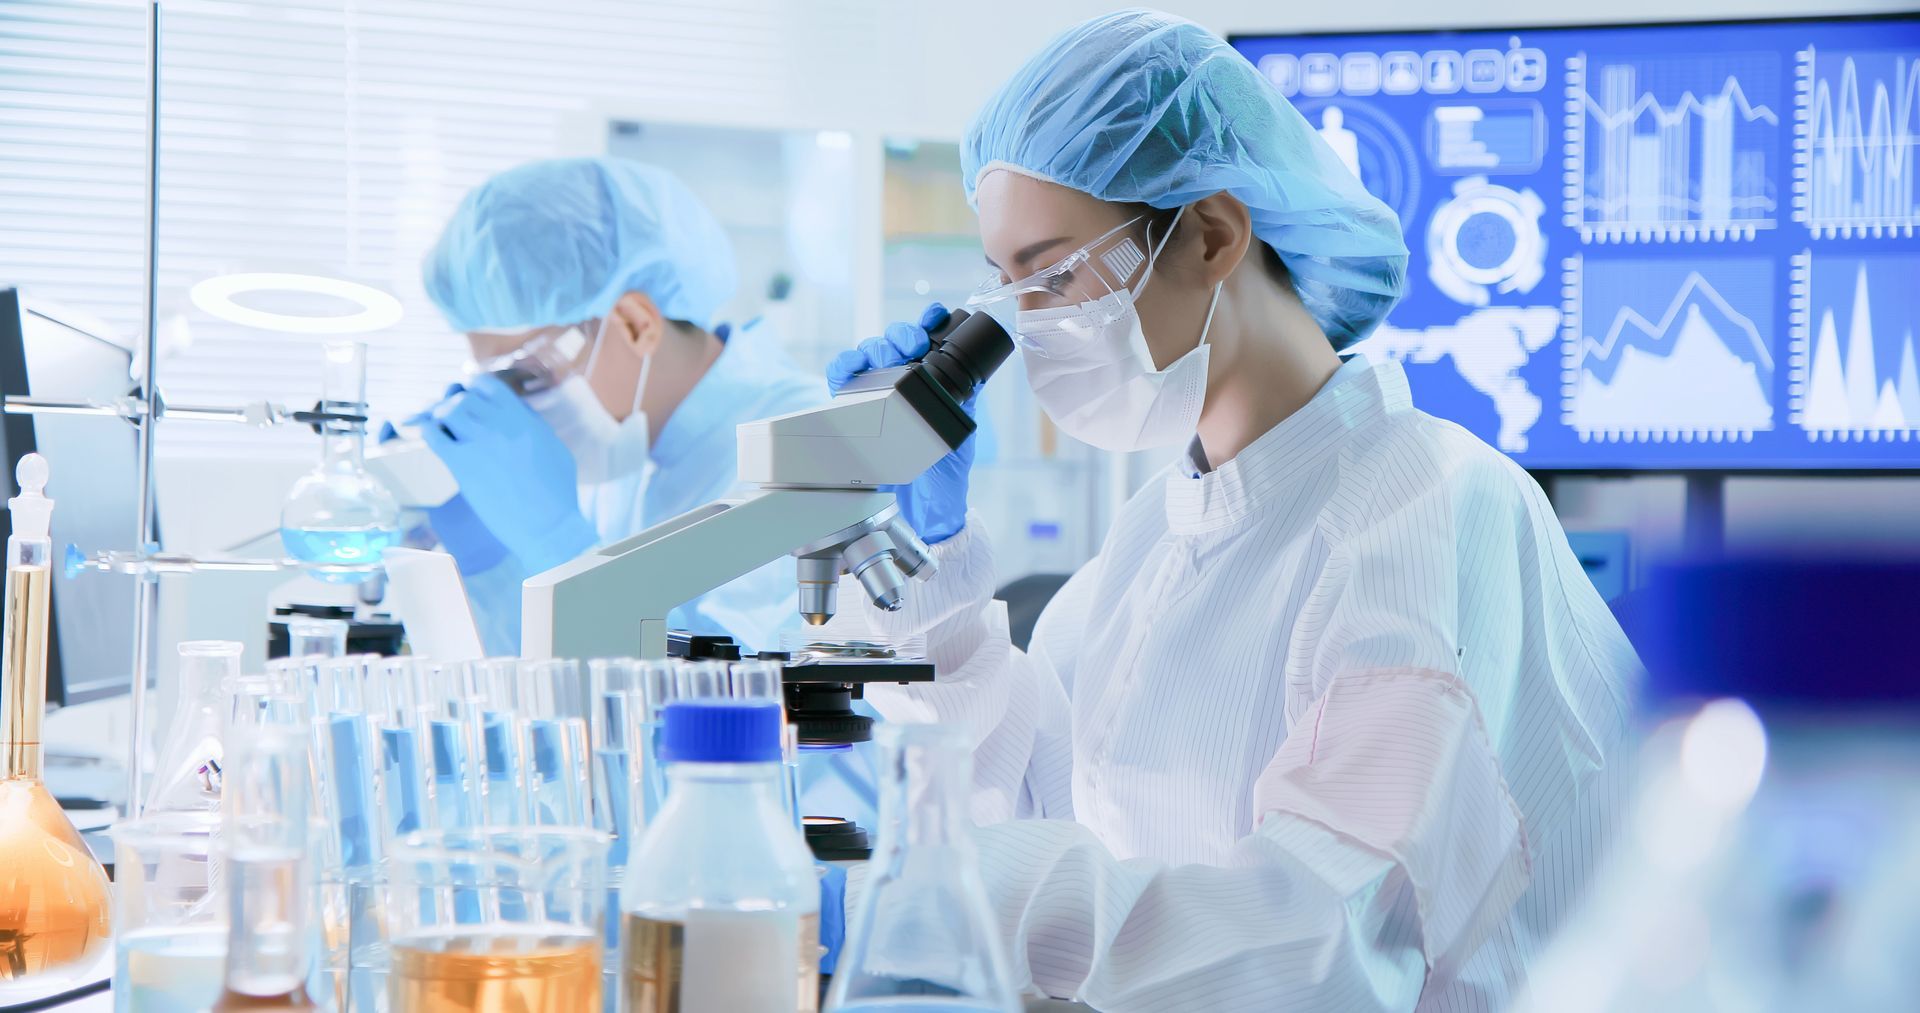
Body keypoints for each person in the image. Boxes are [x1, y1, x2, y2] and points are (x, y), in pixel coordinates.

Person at [819, 11, 1639, 1010]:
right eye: (1006, 285)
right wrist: (929, 563)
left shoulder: (1426, 510)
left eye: (1056, 273)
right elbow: (1023, 793)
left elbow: (1314, 946)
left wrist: (958, 880)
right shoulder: (1160, 536)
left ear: (1212, 233)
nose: (1026, 329)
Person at [413, 157, 823, 655]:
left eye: (523, 374)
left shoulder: (805, 446)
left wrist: (558, 544)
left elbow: (740, 700)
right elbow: (557, 685)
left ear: (634, 323)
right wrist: (492, 561)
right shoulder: (623, 455)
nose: (518, 408)